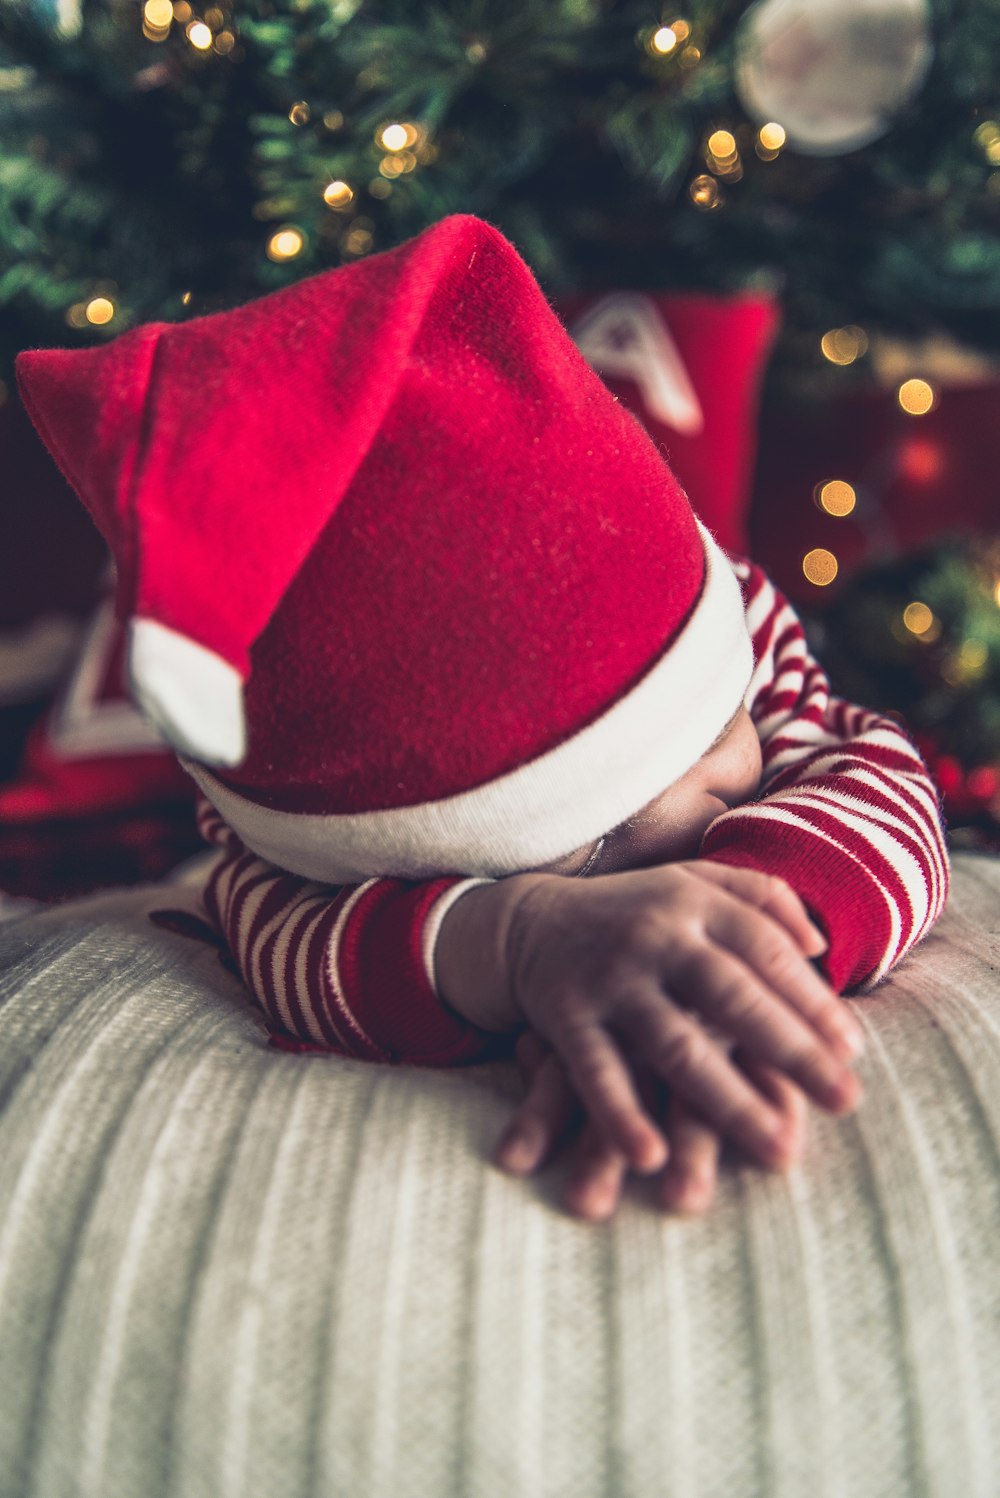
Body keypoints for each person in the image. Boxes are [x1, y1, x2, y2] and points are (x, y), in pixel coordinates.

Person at [16, 215, 949, 1222]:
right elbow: (291, 945)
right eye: (596, 847)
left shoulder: (730, 634)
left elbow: (879, 778)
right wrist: (521, 943)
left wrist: (743, 927)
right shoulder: (289, 857)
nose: (670, 856)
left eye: (713, 744)